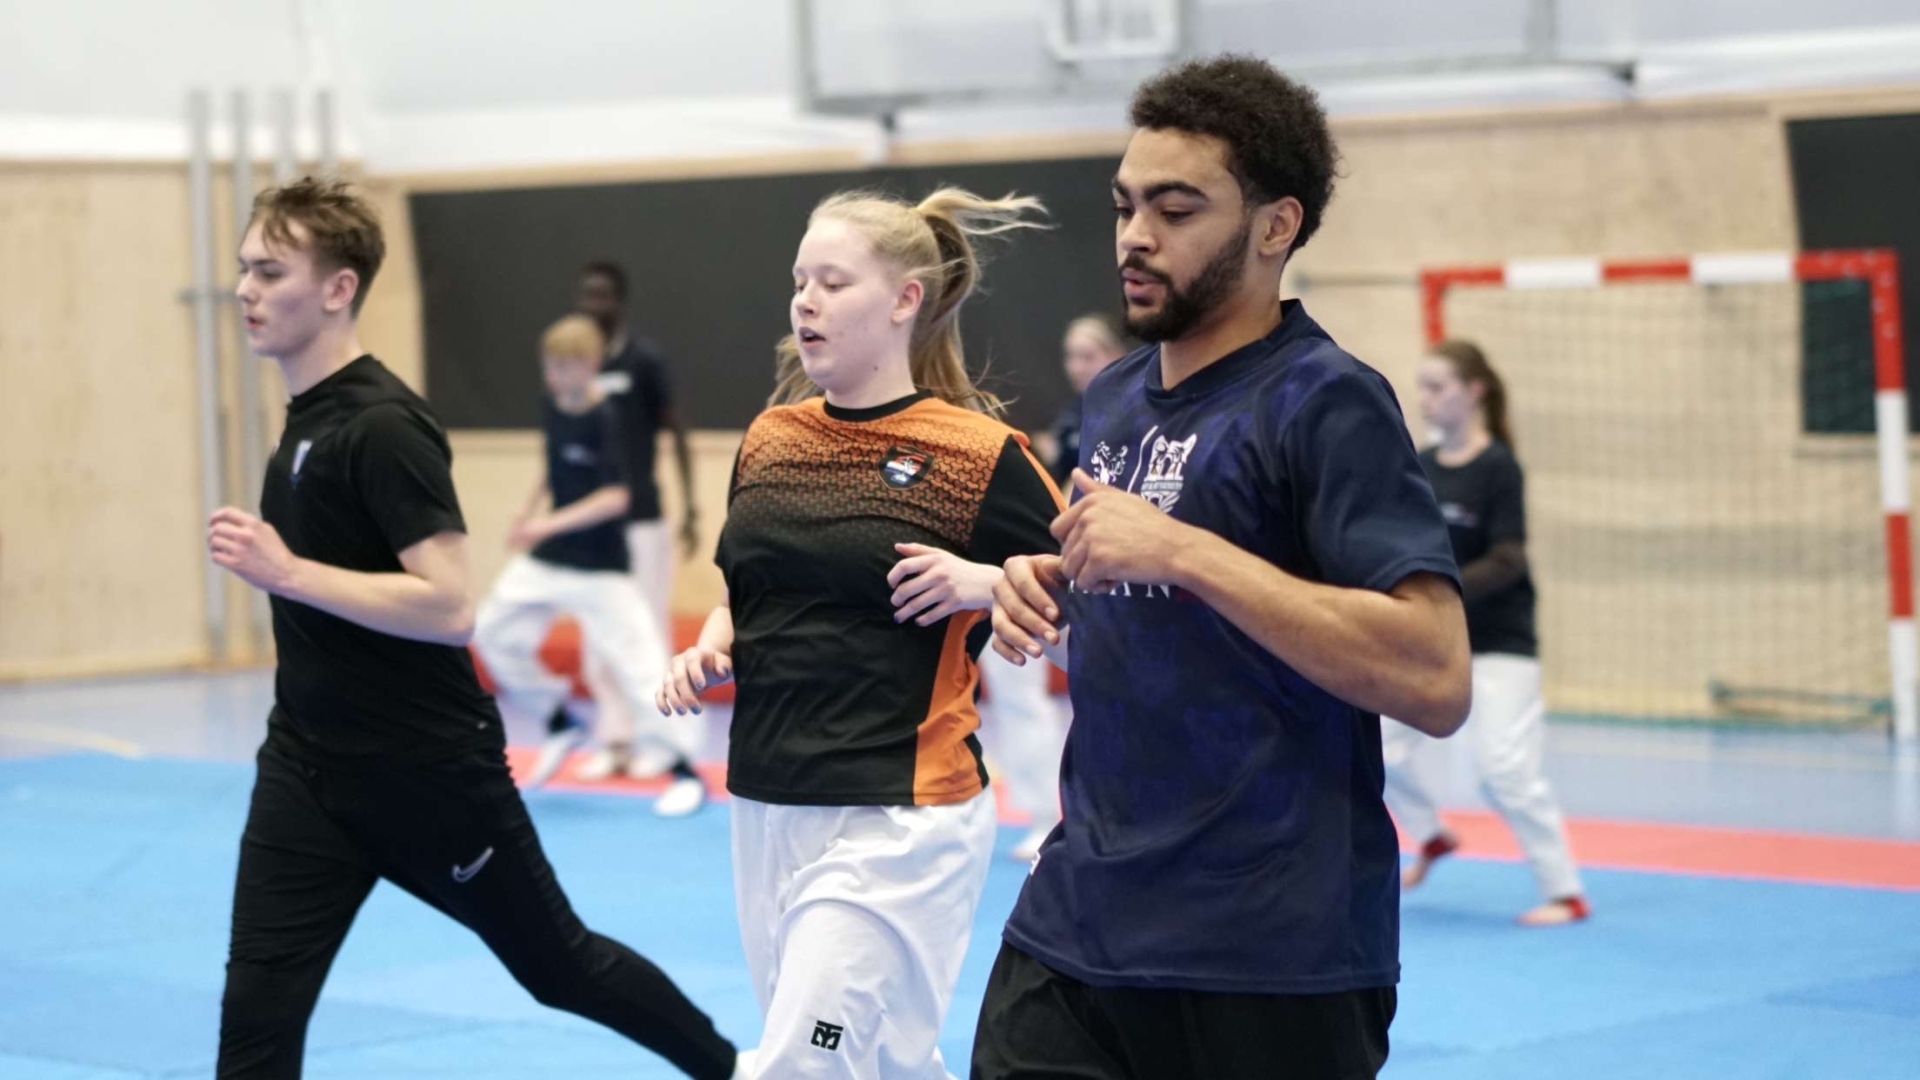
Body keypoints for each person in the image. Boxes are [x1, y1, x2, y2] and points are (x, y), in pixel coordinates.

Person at [974, 56, 1472, 1079]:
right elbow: (1149, 605)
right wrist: (1049, 590)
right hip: (1079, 923)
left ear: (1275, 226)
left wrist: (1187, 552)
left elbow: (1436, 676)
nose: (1135, 236)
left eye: (1175, 209)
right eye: (1124, 207)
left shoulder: (1326, 402)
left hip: (1266, 956)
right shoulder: (1114, 397)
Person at [212, 177, 745, 1079]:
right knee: (255, 1023)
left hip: (426, 775)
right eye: (244, 269)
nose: (244, 290)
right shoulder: (302, 426)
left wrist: (287, 572)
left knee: (561, 968)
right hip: (305, 766)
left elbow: (451, 606)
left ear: (338, 289)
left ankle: (732, 1070)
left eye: (270, 271)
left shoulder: (383, 426)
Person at [657, 186, 1061, 1079]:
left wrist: (985, 581)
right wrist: (711, 646)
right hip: (767, 802)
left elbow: (1101, 598)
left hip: (900, 817)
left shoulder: (976, 453)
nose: (805, 302)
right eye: (799, 282)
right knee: (881, 1062)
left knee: (800, 1063)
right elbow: (747, 594)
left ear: (905, 299)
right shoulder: (770, 438)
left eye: (832, 283)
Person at [1382, 339, 1589, 926]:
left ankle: (1565, 892)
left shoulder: (1499, 466)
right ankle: (1431, 835)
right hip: (1433, 641)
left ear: (1474, 392)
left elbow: (1508, 558)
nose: (1425, 398)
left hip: (1500, 643)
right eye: (1421, 387)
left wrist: (1442, 589)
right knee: (1379, 748)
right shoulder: (1420, 465)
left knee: (1503, 770)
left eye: (1437, 387)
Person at [475, 313, 706, 816]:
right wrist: (526, 512)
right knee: (492, 630)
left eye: (565, 367)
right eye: (549, 366)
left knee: (641, 667)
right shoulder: (551, 405)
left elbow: (616, 497)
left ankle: (684, 769)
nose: (555, 376)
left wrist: (545, 525)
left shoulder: (610, 419)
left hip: (602, 567)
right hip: (550, 560)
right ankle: (558, 719)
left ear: (592, 365)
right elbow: (553, 461)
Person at [535, 260, 704, 783]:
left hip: (642, 520)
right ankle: (616, 740)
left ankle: (663, 743)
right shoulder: (573, 370)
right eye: (586, 295)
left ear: (620, 302)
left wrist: (691, 507)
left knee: (646, 634)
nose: (594, 305)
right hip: (595, 529)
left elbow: (676, 430)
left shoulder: (643, 361)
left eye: (603, 296)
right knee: (598, 637)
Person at [978, 314, 1132, 863]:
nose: (1078, 367)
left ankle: (1101, 809)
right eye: (1071, 356)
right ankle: (1044, 810)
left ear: (1115, 353)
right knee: (1015, 685)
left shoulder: (1131, 409)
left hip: (1112, 576)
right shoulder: (1071, 419)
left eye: (1089, 355)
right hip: (1052, 567)